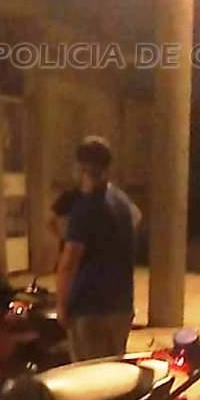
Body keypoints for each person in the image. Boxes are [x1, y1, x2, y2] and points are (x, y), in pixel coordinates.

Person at [57, 137, 140, 361]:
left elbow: (69, 262)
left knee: (89, 376)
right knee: (114, 374)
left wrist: (61, 305)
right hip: (121, 306)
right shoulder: (123, 202)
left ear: (82, 168)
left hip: (90, 310)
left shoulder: (85, 207)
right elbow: (135, 222)